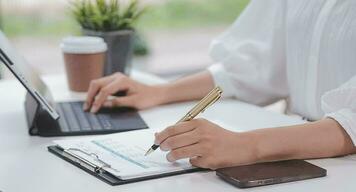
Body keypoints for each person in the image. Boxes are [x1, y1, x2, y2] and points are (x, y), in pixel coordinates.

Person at [83, 0, 356, 169]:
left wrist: (244, 145)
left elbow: (351, 123)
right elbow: (251, 67)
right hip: (301, 159)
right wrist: (159, 92)